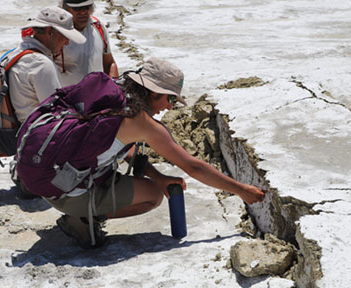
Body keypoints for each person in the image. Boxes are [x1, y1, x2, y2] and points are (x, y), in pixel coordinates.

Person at [17, 58, 266, 248]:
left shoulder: (114, 93)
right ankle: (80, 219)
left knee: (154, 184)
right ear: (154, 92)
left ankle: (79, 211)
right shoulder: (144, 122)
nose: (169, 107)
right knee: (153, 196)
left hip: (48, 176)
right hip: (64, 191)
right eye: (169, 99)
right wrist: (242, 190)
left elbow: (115, 144)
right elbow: (193, 167)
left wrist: (157, 174)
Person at [5, 6, 85, 123]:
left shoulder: (14, 54)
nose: (67, 43)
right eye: (65, 36)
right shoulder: (41, 64)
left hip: (17, 133)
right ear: (49, 32)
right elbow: (57, 113)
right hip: (38, 136)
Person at [57, 0, 119, 86]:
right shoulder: (56, 33)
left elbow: (109, 63)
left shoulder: (98, 27)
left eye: (86, 7)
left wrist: (114, 86)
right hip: (66, 100)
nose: (82, 12)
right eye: (76, 8)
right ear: (65, 8)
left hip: (97, 99)